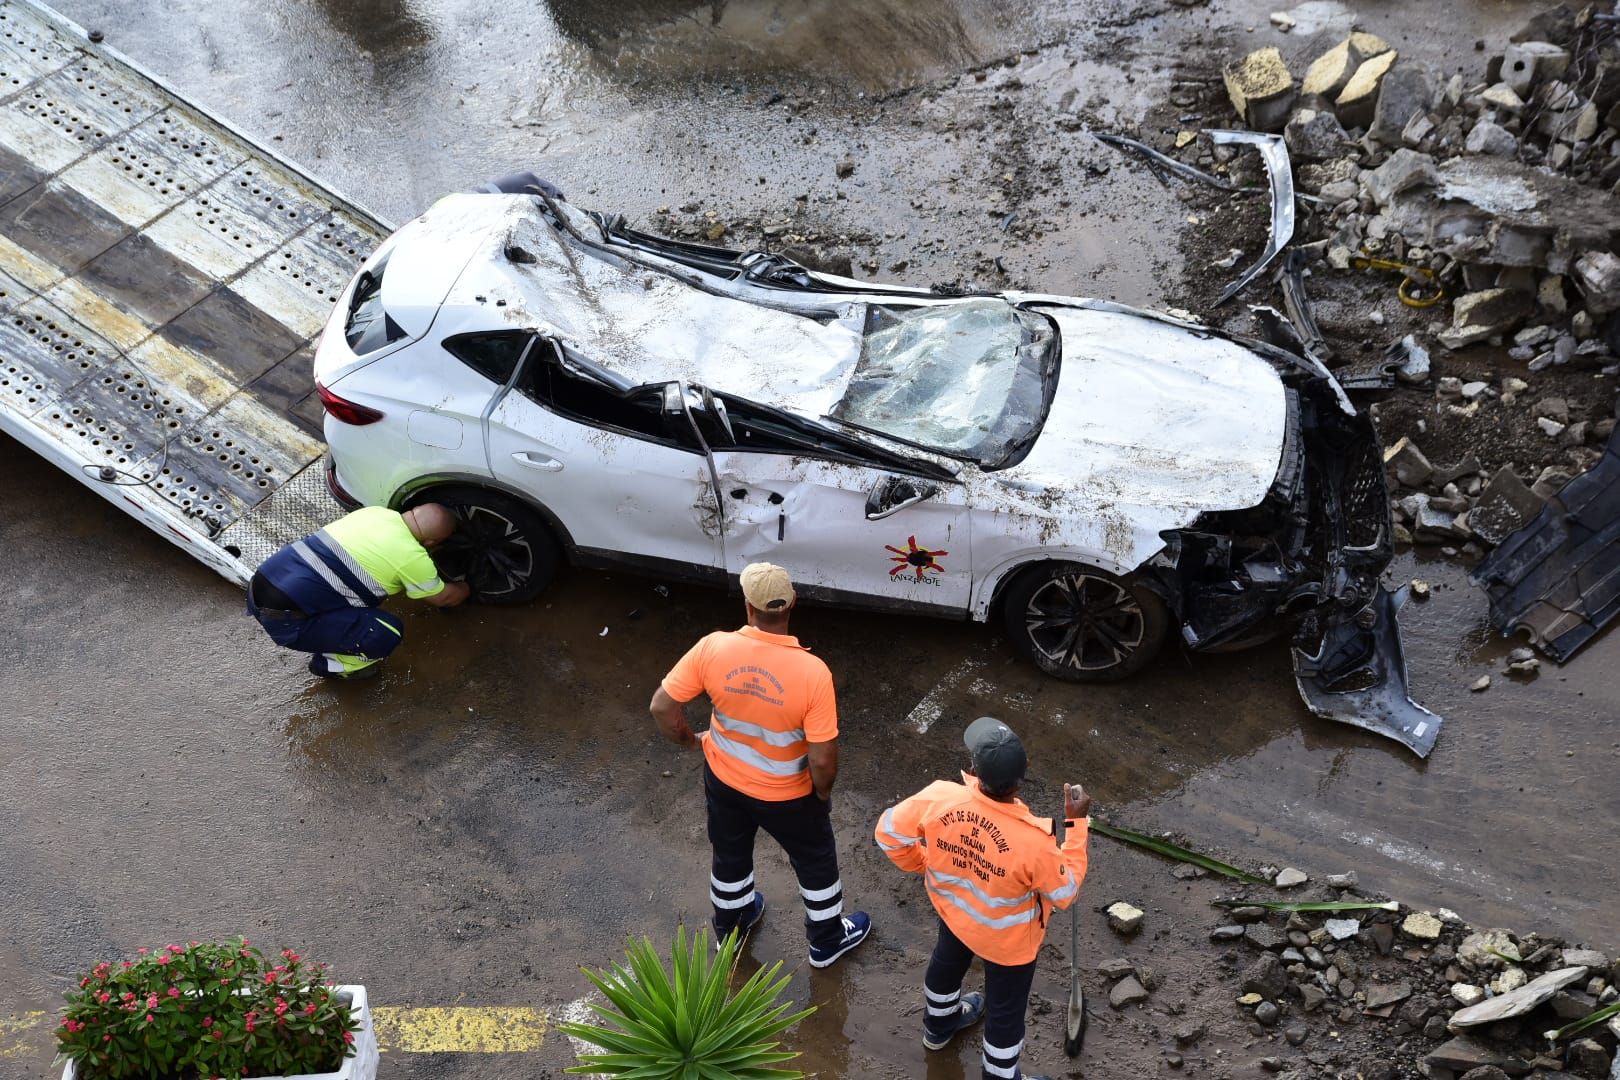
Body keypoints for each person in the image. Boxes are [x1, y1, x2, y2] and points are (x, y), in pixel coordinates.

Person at [649, 562, 871, 968]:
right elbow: (822, 758)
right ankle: (825, 940)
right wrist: (820, 794)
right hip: (788, 794)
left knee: (730, 854)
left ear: (748, 607)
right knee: (815, 859)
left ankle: (731, 931)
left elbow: (662, 706)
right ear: (792, 605)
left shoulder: (713, 647)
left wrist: (688, 739)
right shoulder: (812, 672)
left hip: (724, 780)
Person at [874, 717, 1090, 1080]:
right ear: (1023, 778)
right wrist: (1076, 826)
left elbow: (888, 834)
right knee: (1004, 1013)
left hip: (954, 914)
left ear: (974, 770)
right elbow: (1065, 893)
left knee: (946, 964)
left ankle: (938, 1028)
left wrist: (923, 864)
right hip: (1010, 945)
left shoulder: (940, 796)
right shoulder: (1033, 841)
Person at [246, 504, 469, 679]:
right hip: (285, 621)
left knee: (346, 587)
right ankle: (331, 665)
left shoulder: (375, 513)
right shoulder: (413, 559)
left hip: (259, 586)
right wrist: (468, 586)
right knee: (385, 632)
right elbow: (445, 598)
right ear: (432, 541)